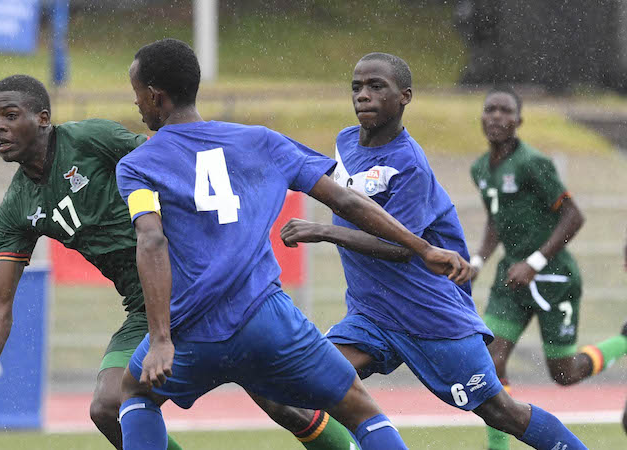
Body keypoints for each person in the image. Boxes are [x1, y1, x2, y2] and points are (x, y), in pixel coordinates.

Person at [0, 75, 359, 450]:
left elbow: (173, 163)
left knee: (287, 406)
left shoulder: (90, 139)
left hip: (208, 287)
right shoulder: (15, 210)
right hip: (146, 310)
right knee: (108, 406)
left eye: (9, 115)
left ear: (43, 118)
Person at [115, 38, 474, 450]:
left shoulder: (138, 164)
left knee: (136, 393)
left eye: (137, 94)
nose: (137, 105)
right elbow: (345, 198)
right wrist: (422, 247)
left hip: (192, 330)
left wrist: (161, 339)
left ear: (155, 96)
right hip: (267, 321)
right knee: (359, 408)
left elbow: (151, 239)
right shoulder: (260, 141)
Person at [272, 53, 587, 450]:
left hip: (432, 317)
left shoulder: (409, 165)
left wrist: (323, 231)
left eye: (376, 87)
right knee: (300, 384)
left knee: (500, 412)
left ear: (405, 97)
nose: (363, 96)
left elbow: (397, 247)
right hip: (372, 316)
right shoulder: (345, 142)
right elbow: (323, 174)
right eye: (357, 87)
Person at [469, 85, 627, 449]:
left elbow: (574, 216)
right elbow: (497, 218)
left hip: (555, 279)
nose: (496, 116)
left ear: (519, 121)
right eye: (490, 109)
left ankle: (623, 341)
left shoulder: (532, 163)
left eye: (505, 111)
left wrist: (535, 262)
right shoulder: (480, 168)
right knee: (489, 363)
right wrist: (478, 259)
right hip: (511, 279)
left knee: (564, 373)